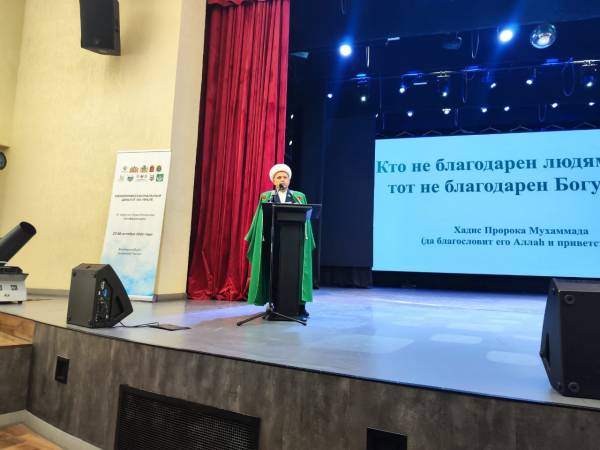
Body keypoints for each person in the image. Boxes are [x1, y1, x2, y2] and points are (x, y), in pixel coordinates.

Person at [245, 163, 315, 318]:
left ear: (289, 180)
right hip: (273, 240)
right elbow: (259, 218)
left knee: (297, 271)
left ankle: (300, 306)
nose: (282, 179)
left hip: (295, 242)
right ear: (274, 180)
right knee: (273, 270)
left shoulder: (298, 196)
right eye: (279, 177)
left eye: (285, 177)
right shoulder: (266, 196)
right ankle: (274, 303)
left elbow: (306, 219)